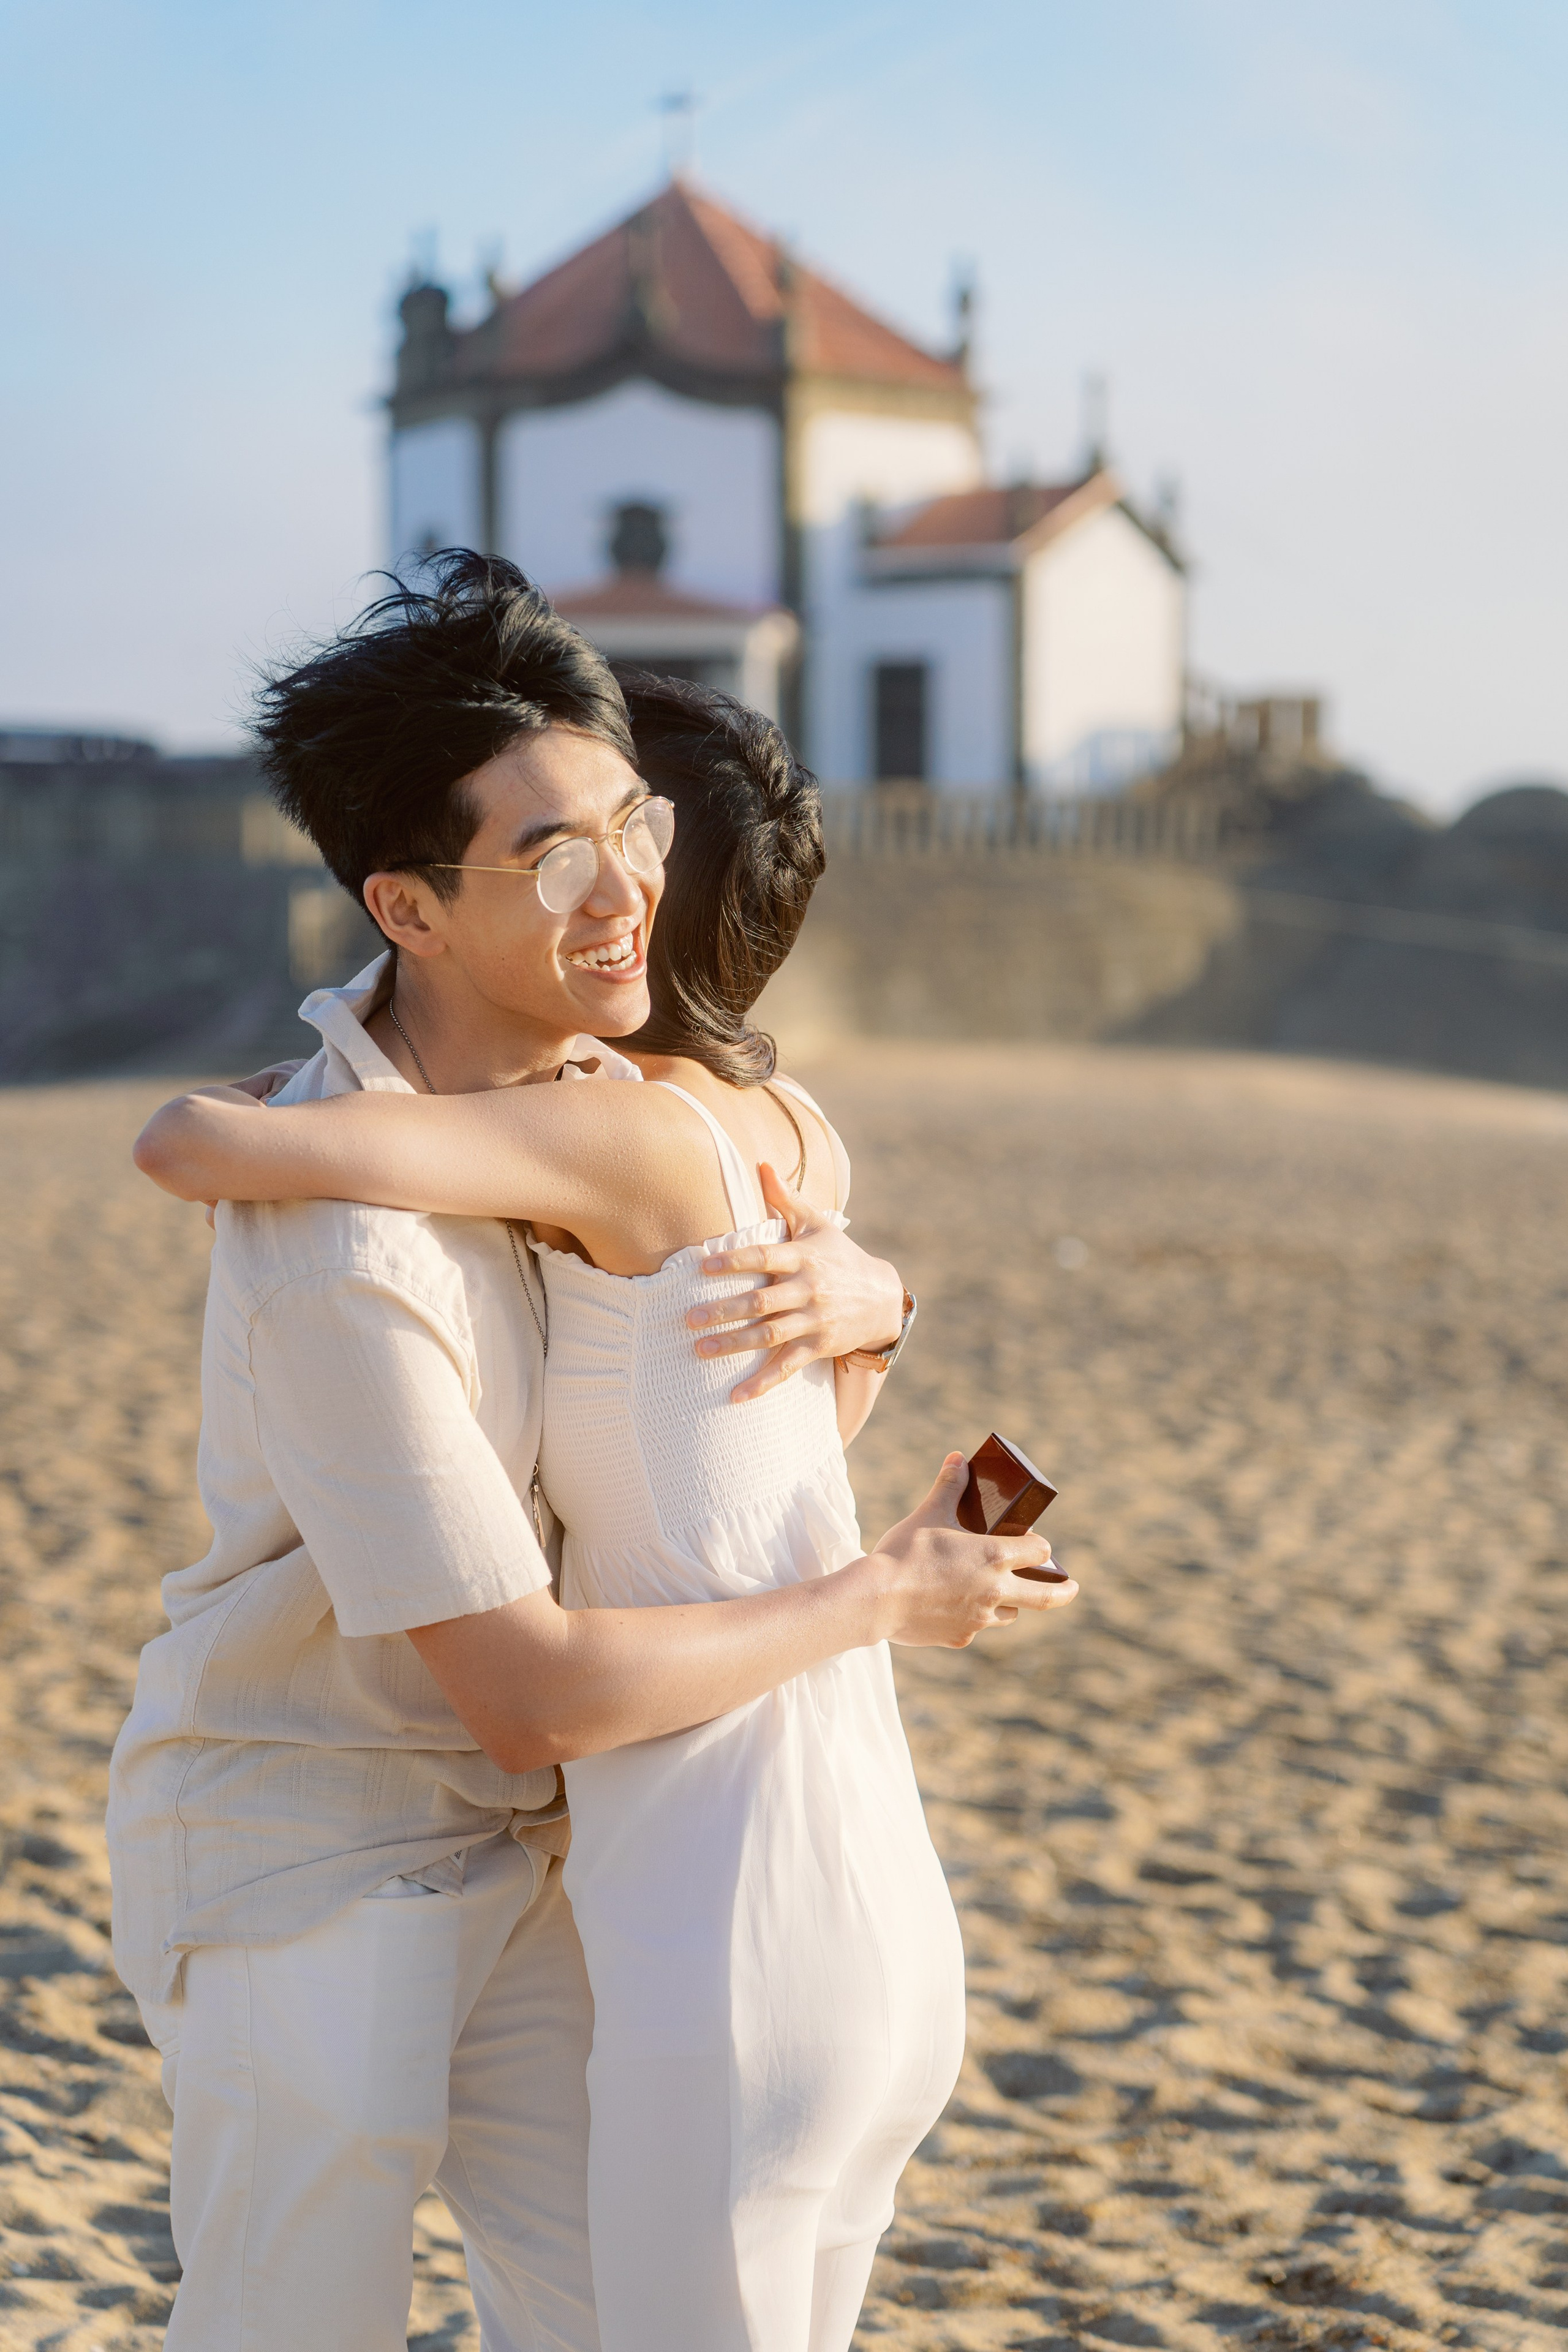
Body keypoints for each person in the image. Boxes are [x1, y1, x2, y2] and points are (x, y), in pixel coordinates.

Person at [116, 555, 1068, 2352]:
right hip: (314, 1838)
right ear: (405, 906)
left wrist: (866, 1294)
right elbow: (524, 1692)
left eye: (631, 823)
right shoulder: (350, 1241)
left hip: (546, 1853)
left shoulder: (604, 1122)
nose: (630, 885)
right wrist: (879, 1592)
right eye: (554, 857)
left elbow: (702, 1418)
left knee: (619, 2318)